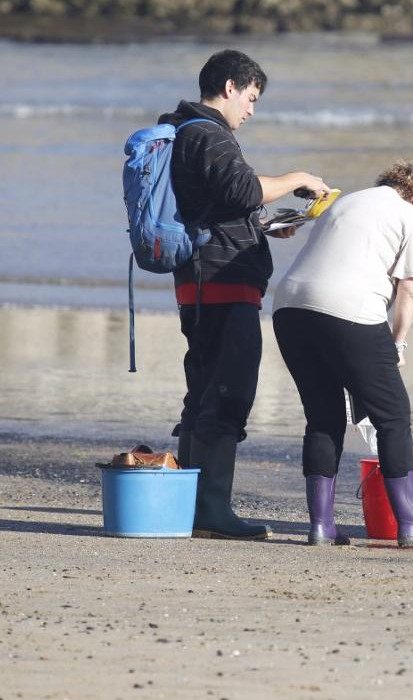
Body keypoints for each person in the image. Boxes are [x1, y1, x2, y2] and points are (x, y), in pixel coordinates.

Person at [166, 49, 330, 541]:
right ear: (231, 87)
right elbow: (242, 189)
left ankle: (194, 507)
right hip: (220, 283)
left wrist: (259, 228)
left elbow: (217, 204)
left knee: (203, 387)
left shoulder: (184, 131)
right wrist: (298, 178)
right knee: (227, 389)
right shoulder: (208, 133)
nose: (252, 110)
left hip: (199, 278)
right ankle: (211, 510)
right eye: (252, 98)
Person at [272, 160, 413, 548]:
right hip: (348, 309)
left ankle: (321, 526)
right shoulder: (411, 216)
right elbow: (409, 289)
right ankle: (411, 521)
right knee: (393, 416)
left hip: (288, 308)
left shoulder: (348, 202)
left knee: (323, 417)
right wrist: (398, 343)